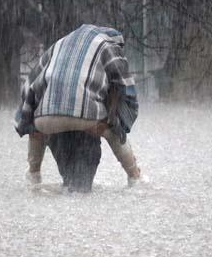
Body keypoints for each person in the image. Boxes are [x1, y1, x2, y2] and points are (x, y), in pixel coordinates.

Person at [14, 24, 141, 191]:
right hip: (87, 119)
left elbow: (29, 87)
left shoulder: (58, 45)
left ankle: (33, 175)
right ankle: (135, 177)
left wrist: (27, 123)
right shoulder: (109, 46)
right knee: (113, 131)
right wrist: (119, 121)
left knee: (37, 130)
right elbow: (127, 89)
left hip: (47, 119)